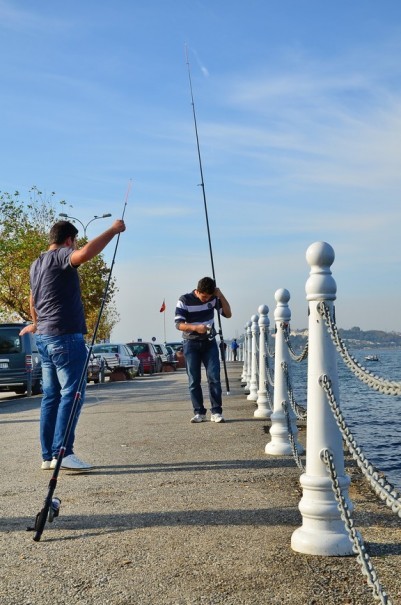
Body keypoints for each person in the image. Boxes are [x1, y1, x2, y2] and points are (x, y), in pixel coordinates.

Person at [20, 218, 126, 470]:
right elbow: (84, 254)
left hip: (45, 338)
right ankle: (63, 453)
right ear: (69, 240)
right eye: (74, 241)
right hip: (65, 337)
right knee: (72, 393)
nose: (74, 245)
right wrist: (112, 230)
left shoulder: (36, 264)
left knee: (51, 397)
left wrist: (37, 324)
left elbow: (32, 298)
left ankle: (48, 456)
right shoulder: (61, 255)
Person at [174, 276, 232, 423]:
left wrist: (220, 295)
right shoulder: (184, 300)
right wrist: (195, 327)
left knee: (214, 377)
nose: (206, 300)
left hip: (209, 343)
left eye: (209, 297)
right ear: (198, 291)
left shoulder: (213, 299)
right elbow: (179, 324)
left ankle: (216, 412)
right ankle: (199, 412)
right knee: (194, 380)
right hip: (191, 343)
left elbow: (228, 314)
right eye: (204, 296)